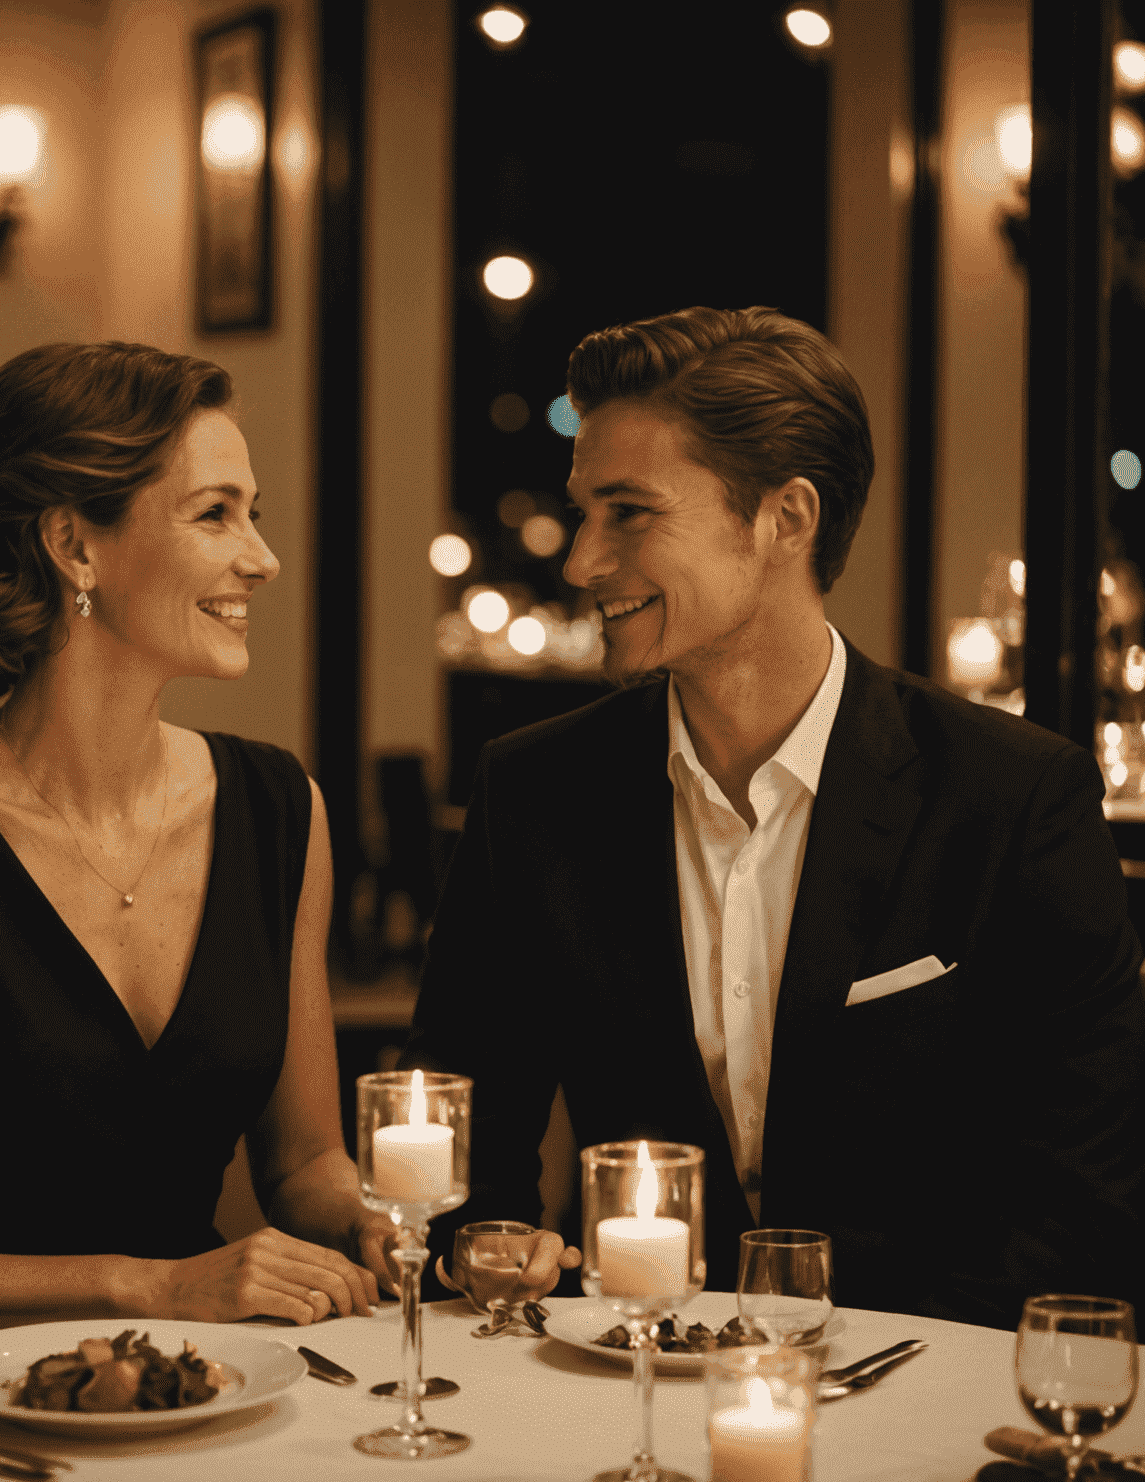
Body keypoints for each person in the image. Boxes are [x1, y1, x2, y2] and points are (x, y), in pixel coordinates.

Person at [403, 306, 1145, 1327]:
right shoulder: (535, 791)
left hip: (930, 1401)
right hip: (624, 1398)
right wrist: (490, 1247)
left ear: (787, 518)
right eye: (585, 513)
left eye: (629, 513)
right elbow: (461, 1131)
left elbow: (1085, 1194)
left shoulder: (1013, 799)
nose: (580, 561)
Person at [0, 342, 400, 1344]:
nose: (261, 558)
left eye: (253, 513)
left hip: (195, 1395)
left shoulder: (280, 809)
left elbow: (304, 1164)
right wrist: (147, 1287)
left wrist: (391, 1224)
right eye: (215, 513)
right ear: (74, 545)